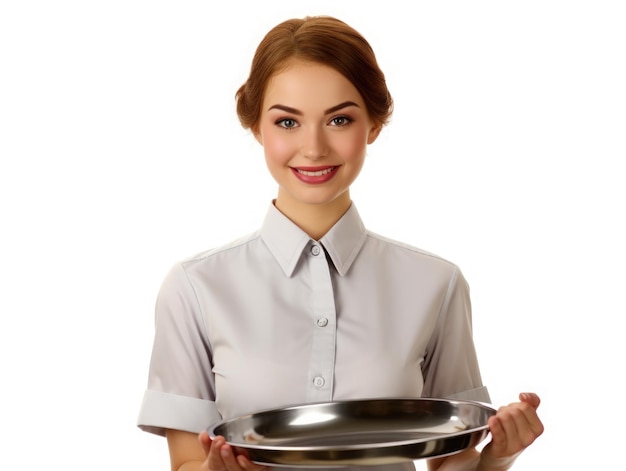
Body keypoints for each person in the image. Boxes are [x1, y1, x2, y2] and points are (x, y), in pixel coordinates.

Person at [137, 15, 544, 471]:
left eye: (339, 119)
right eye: (287, 122)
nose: (313, 148)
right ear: (256, 128)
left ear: (373, 125)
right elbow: (186, 462)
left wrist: (499, 456)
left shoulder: (437, 283)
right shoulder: (195, 287)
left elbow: (454, 457)